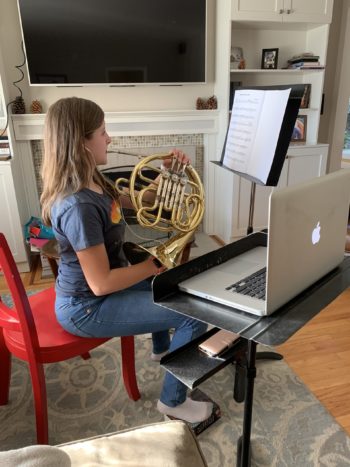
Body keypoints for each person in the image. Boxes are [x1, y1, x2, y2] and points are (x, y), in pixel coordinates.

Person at [40, 97, 212, 424]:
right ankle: (173, 403)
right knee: (193, 315)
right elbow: (100, 283)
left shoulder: (94, 181)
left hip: (98, 293)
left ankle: (164, 352)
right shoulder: (79, 205)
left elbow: (145, 200)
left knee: (165, 285)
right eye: (103, 132)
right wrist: (152, 264)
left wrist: (170, 173)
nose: (110, 139)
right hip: (86, 307)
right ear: (82, 143)